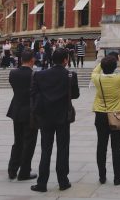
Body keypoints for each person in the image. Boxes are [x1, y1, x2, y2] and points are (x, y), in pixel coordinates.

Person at [30, 49, 79, 193]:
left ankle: (42, 183)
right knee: (63, 149)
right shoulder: (70, 75)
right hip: (63, 117)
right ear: (65, 60)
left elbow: (33, 93)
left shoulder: (39, 75)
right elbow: (75, 95)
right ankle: (63, 181)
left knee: (46, 149)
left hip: (45, 117)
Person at [91, 55, 120, 186]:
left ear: (102, 67)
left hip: (101, 114)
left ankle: (102, 176)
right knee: (116, 147)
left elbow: (95, 71)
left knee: (101, 146)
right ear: (115, 68)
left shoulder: (97, 79)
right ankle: (117, 177)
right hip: (116, 115)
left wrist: (101, 62)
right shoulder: (118, 78)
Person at [7, 50, 39, 181]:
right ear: (32, 60)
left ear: (21, 60)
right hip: (30, 112)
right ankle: (24, 171)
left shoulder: (13, 73)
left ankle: (12, 169)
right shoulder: (35, 75)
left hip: (16, 109)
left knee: (18, 141)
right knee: (29, 142)